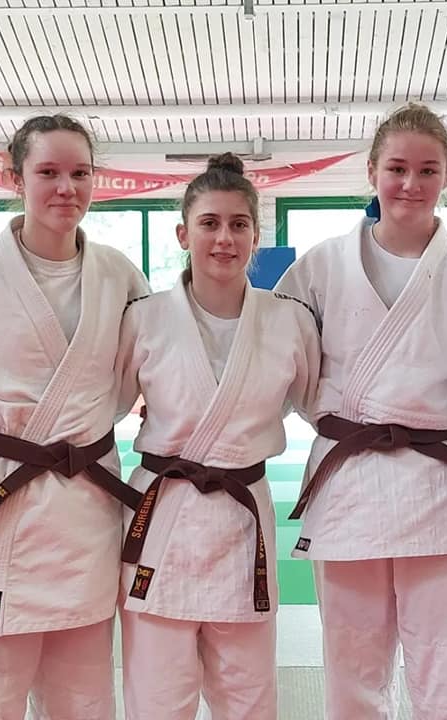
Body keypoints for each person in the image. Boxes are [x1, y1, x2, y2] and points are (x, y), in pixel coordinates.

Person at [275, 102, 447, 720]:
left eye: (428, 170)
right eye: (397, 168)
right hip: (349, 484)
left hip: (441, 486)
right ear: (372, 171)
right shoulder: (320, 265)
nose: (410, 183)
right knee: (352, 662)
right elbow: (277, 363)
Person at [0, 114, 149, 719]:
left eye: (80, 173)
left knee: (84, 698)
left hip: (84, 511)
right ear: (15, 177)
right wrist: (0, 439)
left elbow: (130, 381)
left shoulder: (120, 276)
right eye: (48, 172)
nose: (66, 188)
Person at [116, 153, 321, 720]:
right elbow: (107, 403)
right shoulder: (143, 318)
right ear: (183, 234)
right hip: (164, 517)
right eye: (209, 223)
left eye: (238, 224)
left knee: (249, 698)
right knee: (156, 698)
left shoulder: (289, 320)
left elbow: (313, 402)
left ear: (256, 236)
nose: (224, 238)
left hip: (241, 519)